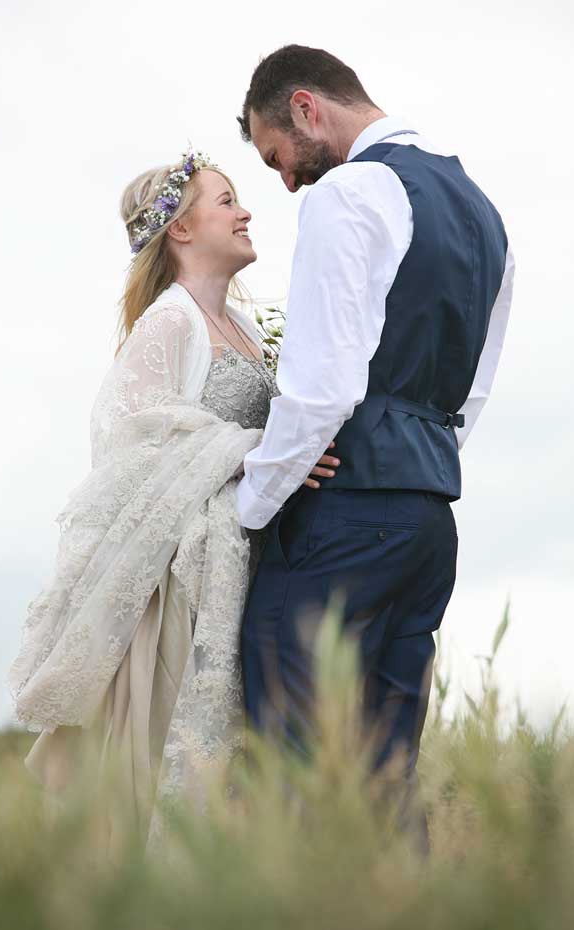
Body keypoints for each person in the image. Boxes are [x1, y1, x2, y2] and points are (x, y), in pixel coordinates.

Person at [7, 150, 340, 845]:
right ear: (181, 231)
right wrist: (255, 450)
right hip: (182, 587)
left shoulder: (245, 333)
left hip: (244, 559)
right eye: (226, 200)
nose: (245, 211)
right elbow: (130, 444)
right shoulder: (170, 323)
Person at [236, 45, 515, 842]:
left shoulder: (350, 194)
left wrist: (254, 506)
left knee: (295, 745)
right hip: (431, 520)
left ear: (304, 108)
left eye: (278, 158)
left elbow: (320, 389)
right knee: (388, 765)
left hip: (345, 511)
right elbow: (472, 394)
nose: (287, 181)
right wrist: (417, 461)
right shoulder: (485, 214)